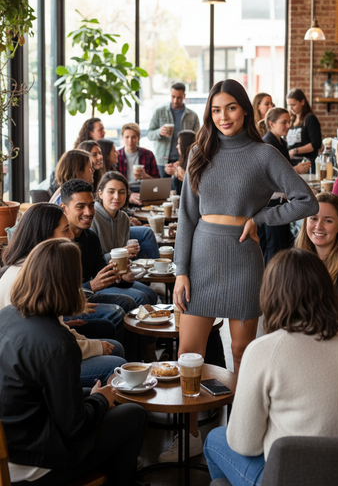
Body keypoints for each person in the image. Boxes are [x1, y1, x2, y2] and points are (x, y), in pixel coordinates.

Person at [167, 79, 318, 462]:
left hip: (243, 260)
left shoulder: (263, 154)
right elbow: (186, 217)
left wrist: (262, 217)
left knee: (242, 352)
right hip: (200, 258)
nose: (223, 117)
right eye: (216, 110)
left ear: (245, 110)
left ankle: (240, 431)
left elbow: (306, 200)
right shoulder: (200, 152)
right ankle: (190, 434)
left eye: (230, 108)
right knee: (189, 353)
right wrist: (180, 271)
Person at [204, 248, 338, 486]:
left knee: (215, 439)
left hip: (293, 475)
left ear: (271, 294)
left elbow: (245, 444)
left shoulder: (264, 350)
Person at [0, 238, 147, 486]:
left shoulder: (6, 315)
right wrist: (102, 399)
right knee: (134, 414)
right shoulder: (57, 342)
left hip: (13, 442)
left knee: (91, 392)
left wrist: (95, 396)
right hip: (36, 464)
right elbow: (75, 427)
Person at [0, 203, 126, 387]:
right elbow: (52, 346)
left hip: (35, 353)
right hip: (34, 368)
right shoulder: (36, 277)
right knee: (117, 363)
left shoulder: (25, 265)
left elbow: (53, 329)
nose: (72, 235)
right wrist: (96, 346)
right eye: (66, 230)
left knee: (113, 341)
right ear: (45, 235)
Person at [61, 178, 156, 309]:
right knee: (120, 310)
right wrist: (91, 286)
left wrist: (124, 279)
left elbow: (105, 276)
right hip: (65, 304)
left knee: (130, 302)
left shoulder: (91, 237)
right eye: (80, 207)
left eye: (91, 206)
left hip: (87, 295)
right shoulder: (57, 242)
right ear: (64, 208)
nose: (88, 212)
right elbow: (56, 294)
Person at [295, 192, 338, 321]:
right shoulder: (296, 260)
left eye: (328, 220)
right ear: (305, 222)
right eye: (313, 218)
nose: (319, 226)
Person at [259, 107, 311, 263]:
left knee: (281, 245)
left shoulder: (280, 141)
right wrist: (295, 170)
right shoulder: (268, 144)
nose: (288, 126)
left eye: (289, 121)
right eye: (284, 122)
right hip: (271, 203)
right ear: (271, 123)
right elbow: (271, 177)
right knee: (274, 247)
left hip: (280, 201)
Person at [147, 82, 200, 178]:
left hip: (184, 161)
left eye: (179, 97)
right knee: (163, 190)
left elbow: (197, 140)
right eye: (173, 97)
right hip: (163, 160)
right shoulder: (159, 112)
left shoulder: (192, 116)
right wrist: (159, 132)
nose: (175, 100)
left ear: (184, 96)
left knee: (182, 191)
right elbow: (149, 134)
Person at [286, 87, 322, 172]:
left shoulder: (310, 118)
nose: (291, 108)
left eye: (293, 105)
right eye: (289, 105)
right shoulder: (292, 119)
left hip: (307, 164)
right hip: (293, 164)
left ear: (302, 102)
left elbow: (316, 144)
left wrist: (295, 150)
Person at [164, 129, 196, 195]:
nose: (177, 146)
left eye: (179, 143)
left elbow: (192, 184)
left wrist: (176, 172)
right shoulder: (182, 163)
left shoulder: (194, 164)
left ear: (185, 145)